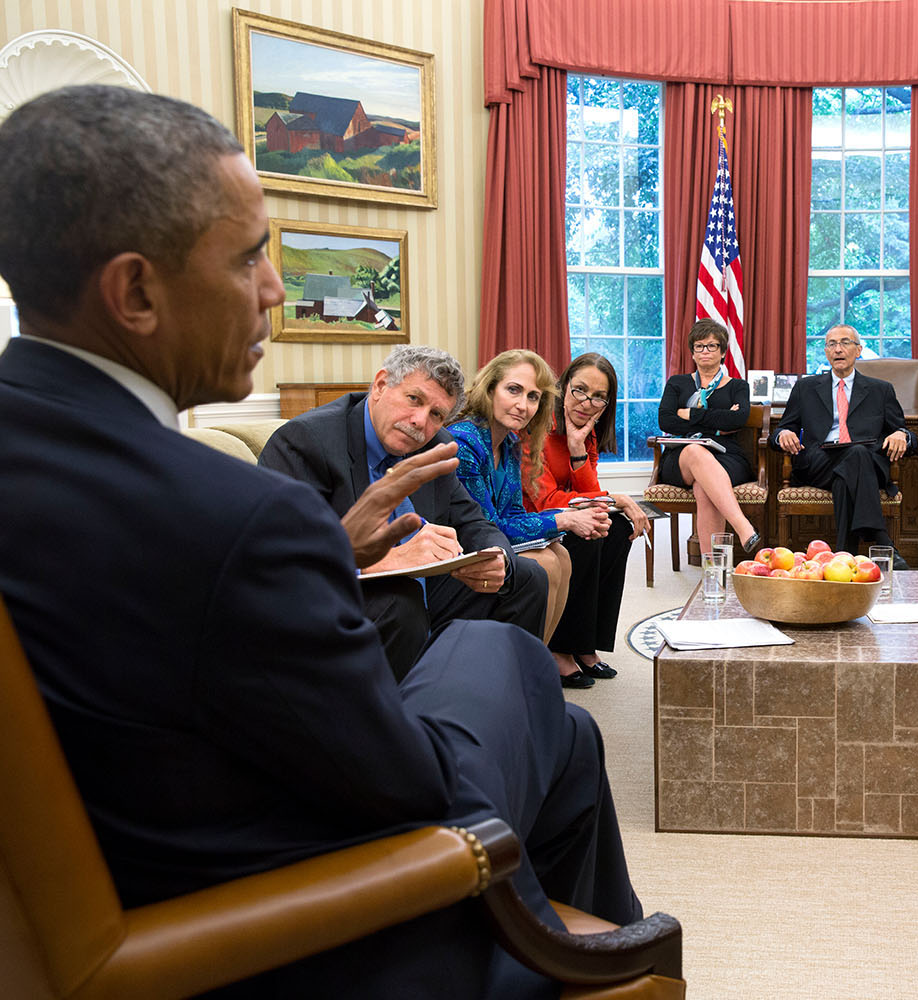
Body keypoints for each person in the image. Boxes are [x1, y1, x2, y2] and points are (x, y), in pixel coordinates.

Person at [0, 85, 639, 998]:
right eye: (252, 258)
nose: (273, 291)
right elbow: (409, 787)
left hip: (149, 849)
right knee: (508, 665)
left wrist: (347, 557)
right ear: (135, 290)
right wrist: (337, 557)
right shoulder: (238, 514)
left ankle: (581, 956)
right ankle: (570, 962)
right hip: (282, 929)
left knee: (564, 730)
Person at [261, 345, 551, 681]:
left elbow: (474, 521)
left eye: (436, 414)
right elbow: (280, 554)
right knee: (402, 602)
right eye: (414, 399)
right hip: (338, 597)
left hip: (420, 593)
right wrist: (387, 561)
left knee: (526, 579)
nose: (420, 422)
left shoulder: (436, 447)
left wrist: (496, 556)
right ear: (381, 385)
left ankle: (492, 702)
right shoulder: (307, 441)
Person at [449, 350, 616, 673]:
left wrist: (567, 518)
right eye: (513, 390)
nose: (523, 405)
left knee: (561, 557)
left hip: (492, 537)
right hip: (461, 552)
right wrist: (565, 518)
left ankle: (535, 666)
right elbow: (486, 526)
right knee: (545, 563)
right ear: (490, 389)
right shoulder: (466, 442)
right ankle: (526, 673)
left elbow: (511, 512)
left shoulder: (508, 443)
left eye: (533, 397)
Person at [528, 353, 647, 687]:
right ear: (564, 386)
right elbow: (545, 500)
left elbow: (589, 492)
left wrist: (578, 448)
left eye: (598, 397)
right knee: (588, 530)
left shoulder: (585, 430)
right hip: (530, 518)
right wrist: (616, 499)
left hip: (568, 512)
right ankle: (559, 647)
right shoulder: (535, 428)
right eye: (579, 390)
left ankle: (586, 644)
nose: (587, 403)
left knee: (618, 528)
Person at [773, 324, 914, 562]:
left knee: (851, 466)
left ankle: (844, 554)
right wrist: (784, 434)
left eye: (845, 343)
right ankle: (882, 543)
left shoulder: (881, 390)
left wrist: (902, 434)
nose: (838, 349)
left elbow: (909, 436)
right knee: (856, 456)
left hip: (862, 463)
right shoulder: (805, 388)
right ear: (826, 352)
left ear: (858, 350)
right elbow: (782, 430)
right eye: (832, 344)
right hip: (819, 462)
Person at [656, 318, 763, 558]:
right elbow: (666, 421)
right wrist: (718, 420)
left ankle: (712, 572)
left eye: (712, 346)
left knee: (703, 488)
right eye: (699, 346)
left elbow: (738, 421)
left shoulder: (738, 386)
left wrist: (690, 414)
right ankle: (742, 526)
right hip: (682, 455)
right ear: (692, 352)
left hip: (726, 456)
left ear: (723, 352)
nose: (705, 351)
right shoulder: (677, 383)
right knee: (695, 451)